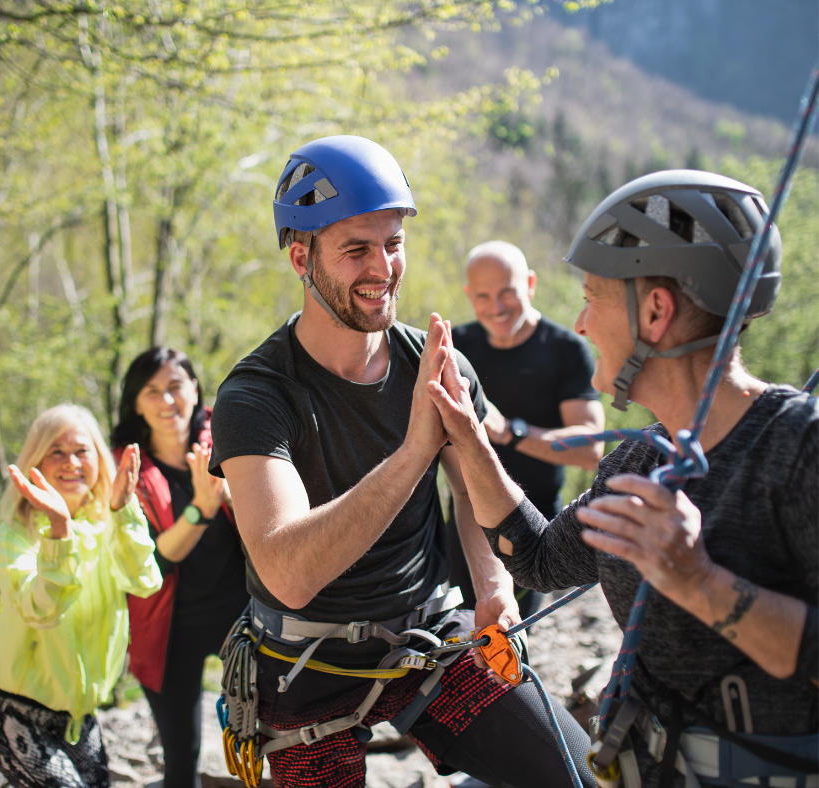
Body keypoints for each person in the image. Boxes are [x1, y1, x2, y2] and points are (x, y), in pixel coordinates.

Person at [208, 135, 594, 788]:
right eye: (356, 249)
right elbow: (287, 570)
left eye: (393, 243)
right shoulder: (255, 397)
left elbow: (471, 490)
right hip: (303, 664)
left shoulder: (437, 367)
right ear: (301, 257)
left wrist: (492, 582)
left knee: (578, 777)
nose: (382, 267)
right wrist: (417, 448)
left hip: (427, 638)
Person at [424, 170, 818, 787]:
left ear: (655, 312)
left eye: (592, 296)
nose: (580, 323)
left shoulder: (798, 449)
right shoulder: (635, 464)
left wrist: (702, 583)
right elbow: (535, 561)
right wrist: (470, 436)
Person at [0, 404, 162, 788]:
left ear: (99, 457)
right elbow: (41, 611)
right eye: (56, 452)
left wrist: (124, 511)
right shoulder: (11, 538)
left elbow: (145, 580)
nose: (71, 463)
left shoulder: (110, 524)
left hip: (81, 718)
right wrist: (59, 533)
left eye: (82, 451)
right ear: (36, 463)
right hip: (18, 714)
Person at [111, 347, 249, 788]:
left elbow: (276, 526)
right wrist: (202, 509)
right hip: (168, 626)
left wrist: (234, 497)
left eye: (175, 386)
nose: (167, 400)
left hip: (242, 612)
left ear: (194, 390)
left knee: (274, 736)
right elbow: (148, 561)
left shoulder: (234, 437)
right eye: (152, 391)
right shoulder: (124, 469)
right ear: (135, 401)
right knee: (181, 754)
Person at [448, 240, 604, 615]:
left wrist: (511, 432)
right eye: (483, 296)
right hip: (464, 519)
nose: (496, 308)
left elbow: (590, 449)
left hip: (533, 528)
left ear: (530, 284)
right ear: (470, 296)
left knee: (510, 648)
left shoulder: (565, 349)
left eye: (507, 293)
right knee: (455, 643)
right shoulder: (458, 346)